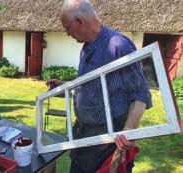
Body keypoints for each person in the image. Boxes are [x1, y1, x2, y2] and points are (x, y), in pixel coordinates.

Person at [47, 0, 152, 172]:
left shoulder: (119, 46)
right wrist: (64, 86)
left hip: (108, 141)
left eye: (67, 28)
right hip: (83, 135)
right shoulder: (86, 47)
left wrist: (127, 132)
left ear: (79, 21)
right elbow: (89, 83)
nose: (67, 34)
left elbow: (140, 95)